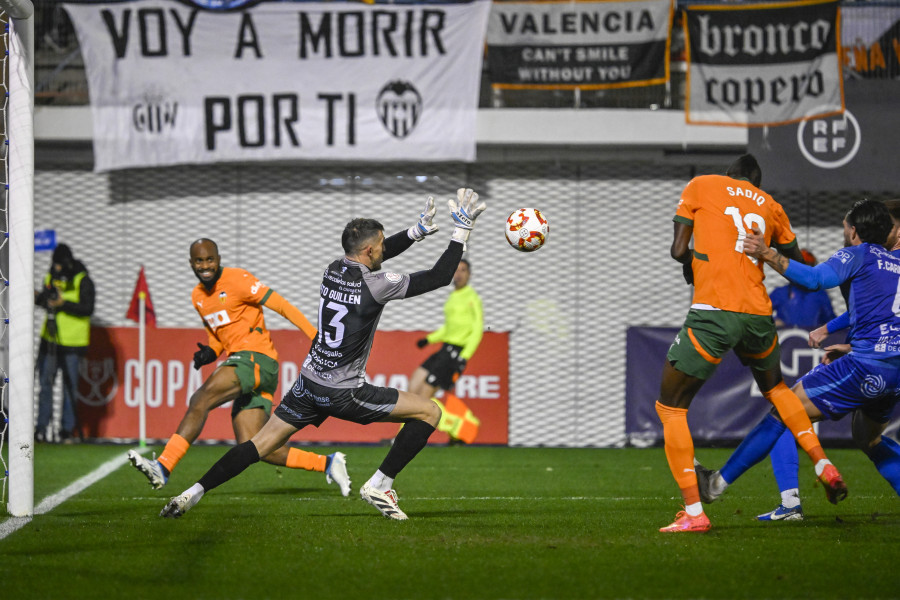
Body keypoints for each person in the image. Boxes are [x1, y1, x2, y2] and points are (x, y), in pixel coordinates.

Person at [158, 189, 486, 521]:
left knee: (258, 445)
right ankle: (379, 484)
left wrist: (415, 233)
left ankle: (190, 494)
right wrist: (461, 230)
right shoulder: (377, 285)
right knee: (430, 412)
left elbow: (375, 254)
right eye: (382, 244)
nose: (385, 248)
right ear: (371, 249)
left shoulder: (332, 269)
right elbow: (439, 276)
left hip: (308, 383)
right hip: (344, 392)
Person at [656, 154, 846, 533]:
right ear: (754, 182)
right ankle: (823, 462)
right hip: (759, 314)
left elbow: (679, 251)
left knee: (671, 408)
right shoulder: (770, 205)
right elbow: (796, 264)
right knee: (776, 388)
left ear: (730, 175)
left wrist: (696, 262)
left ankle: (695, 513)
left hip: (714, 311)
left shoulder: (702, 185)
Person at [695, 199, 900, 513]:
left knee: (785, 409)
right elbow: (882, 315)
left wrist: (767, 253)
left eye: (845, 231)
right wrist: (845, 340)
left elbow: (815, 280)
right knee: (868, 439)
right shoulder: (894, 264)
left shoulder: (858, 254)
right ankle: (788, 501)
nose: (844, 237)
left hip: (866, 366)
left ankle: (716, 485)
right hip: (894, 372)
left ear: (855, 231)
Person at [128, 238, 351, 497]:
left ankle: (163, 466)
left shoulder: (238, 279)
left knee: (200, 398)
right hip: (248, 365)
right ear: (191, 263)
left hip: (256, 358)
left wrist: (315, 335)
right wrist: (209, 352)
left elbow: (281, 305)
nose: (205, 265)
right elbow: (217, 337)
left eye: (209, 259)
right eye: (199, 261)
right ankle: (328, 462)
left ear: (219, 259)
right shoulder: (198, 296)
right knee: (254, 446)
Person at [410, 258, 483, 443]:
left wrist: (464, 357)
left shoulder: (471, 297)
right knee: (412, 389)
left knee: (425, 397)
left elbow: (477, 330)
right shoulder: (452, 297)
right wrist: (429, 339)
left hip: (454, 353)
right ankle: (453, 427)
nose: (458, 274)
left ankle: (417, 437)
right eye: (456, 270)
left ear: (469, 275)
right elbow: (448, 328)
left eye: (463, 271)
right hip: (443, 349)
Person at [35, 243, 95, 443]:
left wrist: (64, 304)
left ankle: (66, 430)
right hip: (49, 339)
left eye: (61, 265)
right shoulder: (50, 276)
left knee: (70, 387)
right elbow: (47, 300)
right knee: (45, 383)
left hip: (73, 343)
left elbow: (87, 308)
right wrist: (40, 298)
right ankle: (41, 428)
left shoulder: (83, 280)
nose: (58, 269)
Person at [769, 249, 836, 329]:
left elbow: (831, 321)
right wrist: (773, 322)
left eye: (807, 267)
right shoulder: (781, 293)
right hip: (785, 338)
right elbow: (761, 316)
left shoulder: (820, 294)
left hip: (811, 339)